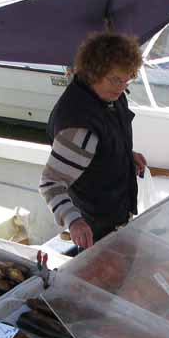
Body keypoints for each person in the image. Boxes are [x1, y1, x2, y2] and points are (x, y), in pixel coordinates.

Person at [39, 32, 145, 250]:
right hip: (96, 227)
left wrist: (125, 155)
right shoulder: (79, 128)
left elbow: (107, 138)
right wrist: (74, 222)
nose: (122, 87)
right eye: (116, 80)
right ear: (94, 71)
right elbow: (50, 183)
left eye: (128, 80)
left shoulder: (108, 96)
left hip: (116, 215)